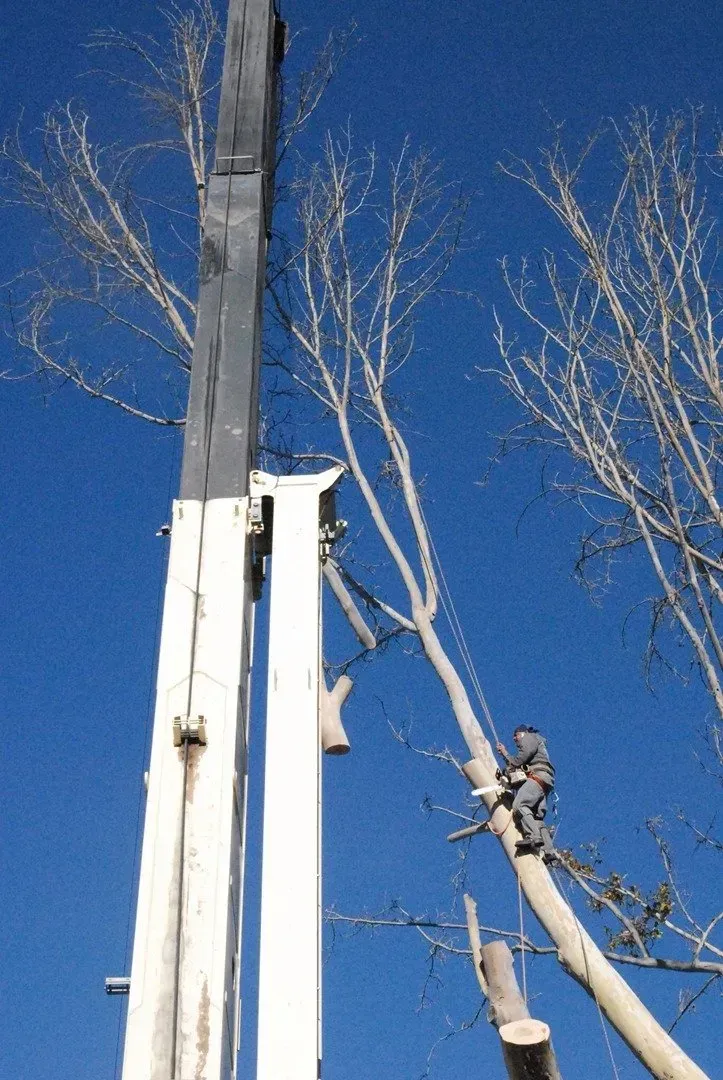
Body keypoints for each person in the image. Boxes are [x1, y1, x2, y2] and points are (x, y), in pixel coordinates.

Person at [496, 725, 556, 861]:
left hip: (537, 777)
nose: (514, 738)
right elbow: (519, 764)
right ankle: (549, 851)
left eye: (516, 735)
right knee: (536, 817)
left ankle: (533, 837)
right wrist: (506, 757)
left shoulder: (529, 738)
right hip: (544, 781)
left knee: (520, 805)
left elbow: (519, 760)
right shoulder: (538, 744)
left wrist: (505, 753)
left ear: (522, 733)